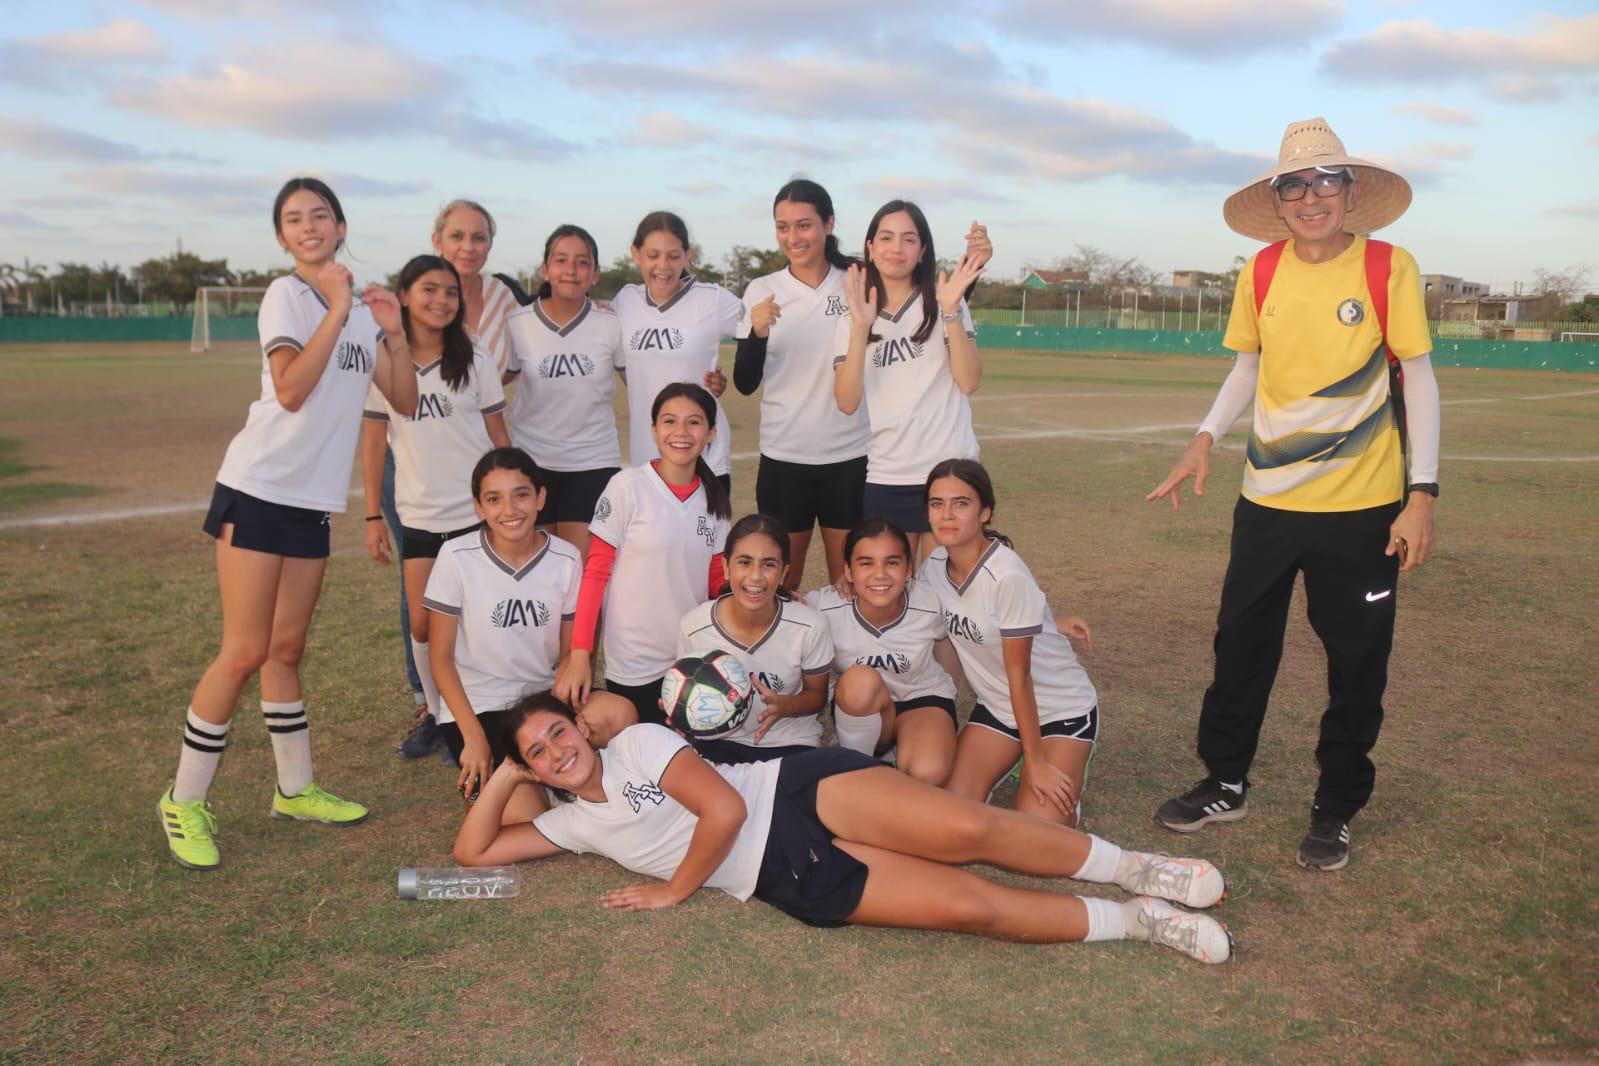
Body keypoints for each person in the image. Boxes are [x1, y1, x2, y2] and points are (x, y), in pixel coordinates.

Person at [1146, 118, 1439, 872]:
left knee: (1355, 662)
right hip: (1267, 504)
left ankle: (1335, 806)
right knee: (1240, 646)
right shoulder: (1262, 270)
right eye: (1294, 185)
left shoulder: (1387, 266)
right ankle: (1224, 781)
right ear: (1276, 201)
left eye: (1325, 181)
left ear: (1351, 192)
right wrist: (1204, 437)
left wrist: (1422, 494)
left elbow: (1420, 378)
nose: (1311, 197)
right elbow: (1246, 366)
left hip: (1363, 509)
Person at [453, 694, 1233, 964]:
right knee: (969, 909)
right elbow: (471, 851)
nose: (558, 753)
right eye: (540, 754)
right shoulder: (574, 826)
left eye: (557, 735)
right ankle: (1135, 923)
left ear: (579, 727)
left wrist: (672, 892)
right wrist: (508, 776)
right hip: (780, 875)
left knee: (965, 828)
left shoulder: (635, 745)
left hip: (792, 796)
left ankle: (1133, 867)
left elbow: (722, 811)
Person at [157, 177, 419, 870]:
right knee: (243, 651)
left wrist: (390, 333)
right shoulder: (288, 295)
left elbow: (406, 399)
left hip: (310, 501)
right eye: (294, 219)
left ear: (340, 226)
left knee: (286, 650)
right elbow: (292, 389)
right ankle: (182, 802)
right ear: (282, 236)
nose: (309, 227)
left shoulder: (362, 311)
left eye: (321, 216)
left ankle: (295, 789)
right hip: (260, 486)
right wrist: (337, 306)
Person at [360, 254, 511, 759]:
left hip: (475, 516)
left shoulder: (476, 358)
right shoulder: (384, 358)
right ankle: (438, 715)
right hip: (419, 515)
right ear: (404, 295)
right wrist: (372, 515)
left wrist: (509, 496)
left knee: (476, 623)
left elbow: (496, 433)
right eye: (429, 289)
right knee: (423, 625)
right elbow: (374, 442)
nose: (441, 300)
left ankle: (479, 716)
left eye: (450, 292)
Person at [919, 460, 1100, 828]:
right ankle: (1012, 756)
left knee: (1036, 832)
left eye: (961, 503)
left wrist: (1037, 763)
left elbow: (1020, 677)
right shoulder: (935, 566)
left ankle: (1059, 767)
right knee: (949, 816)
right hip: (999, 710)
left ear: (985, 511)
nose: (947, 514)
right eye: (937, 504)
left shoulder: (1007, 575)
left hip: (1058, 710)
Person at [553, 383, 732, 729]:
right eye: (669, 421)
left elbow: (716, 585)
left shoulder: (716, 504)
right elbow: (595, 574)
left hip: (690, 660)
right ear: (653, 430)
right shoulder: (626, 487)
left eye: (693, 423)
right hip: (634, 664)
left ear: (710, 433)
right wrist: (579, 655)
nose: (681, 432)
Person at [422, 448, 581, 803]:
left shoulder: (566, 558)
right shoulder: (457, 557)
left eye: (521, 495)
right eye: (494, 499)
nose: (509, 510)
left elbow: (571, 651)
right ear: (479, 507)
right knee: (524, 814)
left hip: (541, 699)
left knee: (616, 715)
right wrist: (473, 737)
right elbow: (440, 658)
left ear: (540, 497)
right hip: (478, 706)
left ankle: (550, 775)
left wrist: (564, 711)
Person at [733, 180, 870, 589]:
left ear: (829, 224)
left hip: (850, 457)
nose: (793, 237)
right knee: (781, 586)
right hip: (784, 459)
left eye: (804, 225)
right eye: (783, 227)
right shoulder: (762, 289)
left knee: (847, 583)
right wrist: (756, 334)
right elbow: (744, 382)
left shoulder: (856, 281)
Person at [834, 201, 989, 562]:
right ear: (870, 248)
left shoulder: (945, 300)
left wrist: (950, 310)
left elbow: (969, 381)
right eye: (886, 237)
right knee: (890, 592)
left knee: (946, 594)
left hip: (949, 470)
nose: (896, 248)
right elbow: (846, 401)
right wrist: (860, 329)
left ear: (922, 251)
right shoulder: (853, 315)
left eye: (908, 239)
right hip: (888, 473)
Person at [807, 517, 962, 786]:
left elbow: (958, 634)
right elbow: (780, 612)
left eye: (892, 562)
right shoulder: (823, 608)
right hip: (863, 705)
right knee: (858, 680)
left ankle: (909, 747)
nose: (880, 574)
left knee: (927, 774)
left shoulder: (930, 602)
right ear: (848, 570)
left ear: (909, 568)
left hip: (920, 697)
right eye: (866, 563)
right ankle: (859, 764)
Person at [503, 225, 622, 558]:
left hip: (593, 463)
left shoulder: (611, 324)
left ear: (595, 273)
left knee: (582, 574)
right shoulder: (518, 323)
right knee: (540, 573)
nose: (571, 270)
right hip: (532, 462)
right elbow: (493, 381)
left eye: (582, 262)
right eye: (561, 260)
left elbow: (645, 383)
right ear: (545, 269)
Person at [677, 514, 833, 764]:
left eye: (769, 564)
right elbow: (688, 688)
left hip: (789, 741)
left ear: (784, 573)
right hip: (719, 741)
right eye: (745, 562)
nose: (756, 576)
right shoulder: (694, 626)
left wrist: (786, 706)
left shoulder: (810, 625)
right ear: (726, 568)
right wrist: (681, 709)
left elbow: (817, 695)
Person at [610, 212, 737, 491]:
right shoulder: (625, 301)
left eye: (673, 256)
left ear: (687, 255)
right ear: (636, 253)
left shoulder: (712, 299)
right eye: (653, 255)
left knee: (707, 535)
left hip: (703, 454)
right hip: (648, 454)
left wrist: (723, 381)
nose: (663, 266)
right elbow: (624, 365)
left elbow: (759, 330)